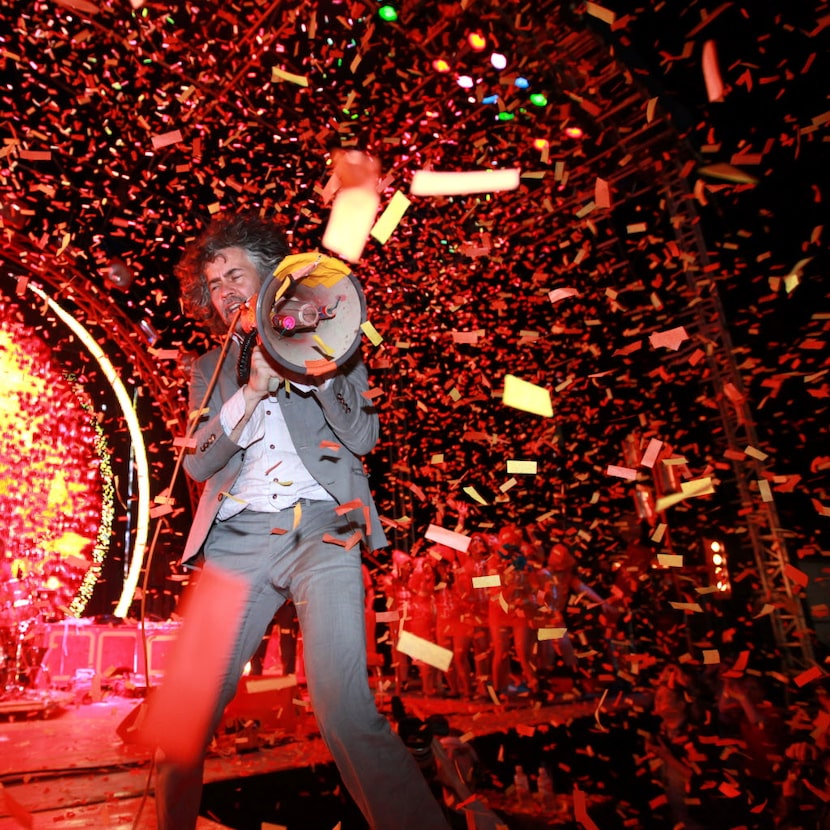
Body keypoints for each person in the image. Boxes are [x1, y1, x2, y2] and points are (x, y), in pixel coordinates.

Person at [156, 212, 450, 830]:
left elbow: (364, 435)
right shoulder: (207, 367)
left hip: (323, 527)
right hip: (236, 541)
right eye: (214, 282)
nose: (226, 289)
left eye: (236, 272)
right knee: (182, 719)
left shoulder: (331, 332)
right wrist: (251, 390)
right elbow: (201, 462)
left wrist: (309, 366)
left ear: (271, 274)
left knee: (345, 707)